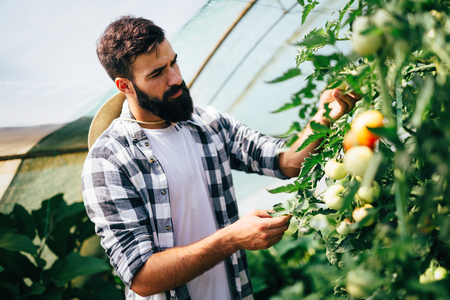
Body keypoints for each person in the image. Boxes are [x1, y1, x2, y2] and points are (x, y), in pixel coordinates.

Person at [81, 16, 359, 300]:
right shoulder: (108, 161)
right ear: (124, 85)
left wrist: (323, 118)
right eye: (156, 74)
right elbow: (141, 276)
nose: (176, 78)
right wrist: (232, 238)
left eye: (173, 63)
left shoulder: (207, 123)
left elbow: (285, 161)